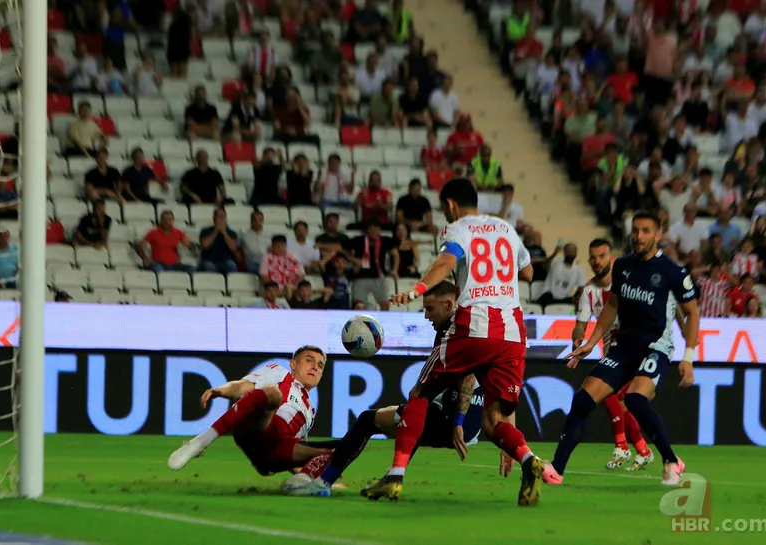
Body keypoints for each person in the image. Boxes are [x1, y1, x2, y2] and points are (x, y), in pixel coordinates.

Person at [360, 178, 545, 506]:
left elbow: (446, 263)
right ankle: (530, 461)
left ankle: (396, 476)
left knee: (420, 394)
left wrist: (417, 289)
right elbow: (529, 273)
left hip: (474, 326)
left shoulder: (458, 229)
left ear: (449, 205)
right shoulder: (506, 229)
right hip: (513, 335)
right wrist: (496, 277)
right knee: (493, 421)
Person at [283, 281, 488, 496]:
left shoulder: (452, 333)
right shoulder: (471, 326)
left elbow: (468, 376)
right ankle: (391, 476)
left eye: (430, 309)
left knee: (371, 420)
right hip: (471, 423)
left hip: (450, 420)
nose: (426, 315)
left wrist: (458, 422)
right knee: (412, 421)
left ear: (448, 305)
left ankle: (322, 483)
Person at [550, 211, 699, 487]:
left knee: (635, 399)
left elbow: (692, 312)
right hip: (624, 346)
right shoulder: (623, 266)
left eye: (645, 231)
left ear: (658, 234)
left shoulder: (672, 272)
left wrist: (688, 357)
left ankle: (670, 460)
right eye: (635, 231)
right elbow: (612, 306)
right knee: (582, 399)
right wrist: (591, 342)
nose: (639, 236)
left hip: (656, 346)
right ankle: (556, 470)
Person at [167, 346, 332, 476]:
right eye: (309, 360)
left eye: (320, 365)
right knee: (273, 394)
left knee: (333, 451)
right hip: (255, 429)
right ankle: (200, 442)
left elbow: (293, 450)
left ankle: (315, 482)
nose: (315, 367)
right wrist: (221, 390)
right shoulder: (280, 373)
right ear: (293, 364)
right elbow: (240, 386)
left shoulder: (311, 411)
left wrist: (309, 475)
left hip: (269, 457)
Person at [572, 239, 653, 471]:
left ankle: (623, 446)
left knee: (611, 394)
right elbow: (580, 324)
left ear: (611, 257)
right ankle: (642, 450)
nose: (597, 262)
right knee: (620, 401)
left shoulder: (629, 282)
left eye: (602, 256)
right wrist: (577, 338)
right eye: (593, 258)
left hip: (635, 349)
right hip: (611, 352)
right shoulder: (589, 291)